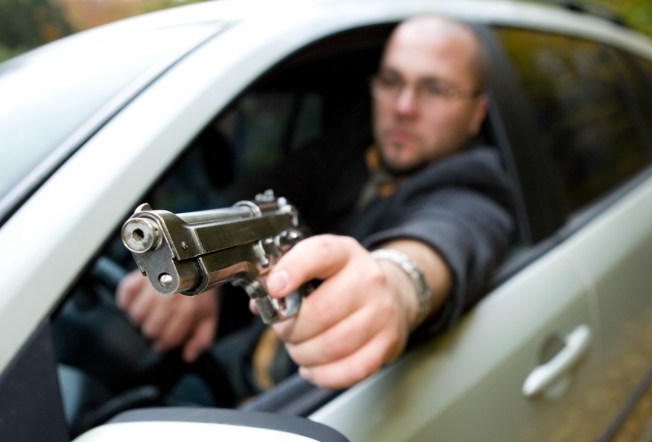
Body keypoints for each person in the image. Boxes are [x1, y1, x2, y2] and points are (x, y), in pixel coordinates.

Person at [116, 14, 515, 392]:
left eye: (434, 89)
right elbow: (272, 187)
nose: (404, 106)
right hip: (229, 364)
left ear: (476, 114)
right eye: (391, 81)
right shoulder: (351, 148)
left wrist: (395, 286)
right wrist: (210, 273)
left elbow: (450, 236)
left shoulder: (478, 186)